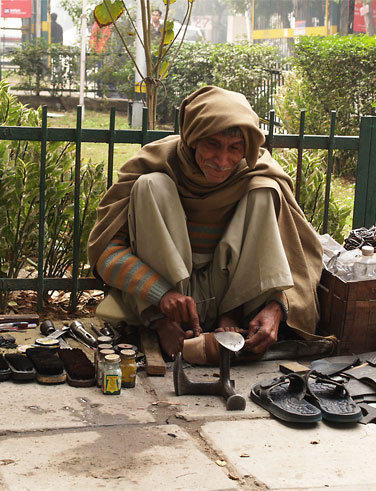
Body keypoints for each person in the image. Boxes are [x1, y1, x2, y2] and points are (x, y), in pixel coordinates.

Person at [87, 86, 323, 360]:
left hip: (232, 296)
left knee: (264, 190)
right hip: (160, 298)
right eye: (212, 144)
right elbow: (106, 253)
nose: (223, 161)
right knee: (150, 185)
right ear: (192, 139)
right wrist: (162, 299)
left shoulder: (260, 172)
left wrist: (276, 309)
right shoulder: (152, 163)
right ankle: (162, 324)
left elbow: (298, 260)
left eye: (235, 148)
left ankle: (231, 314)